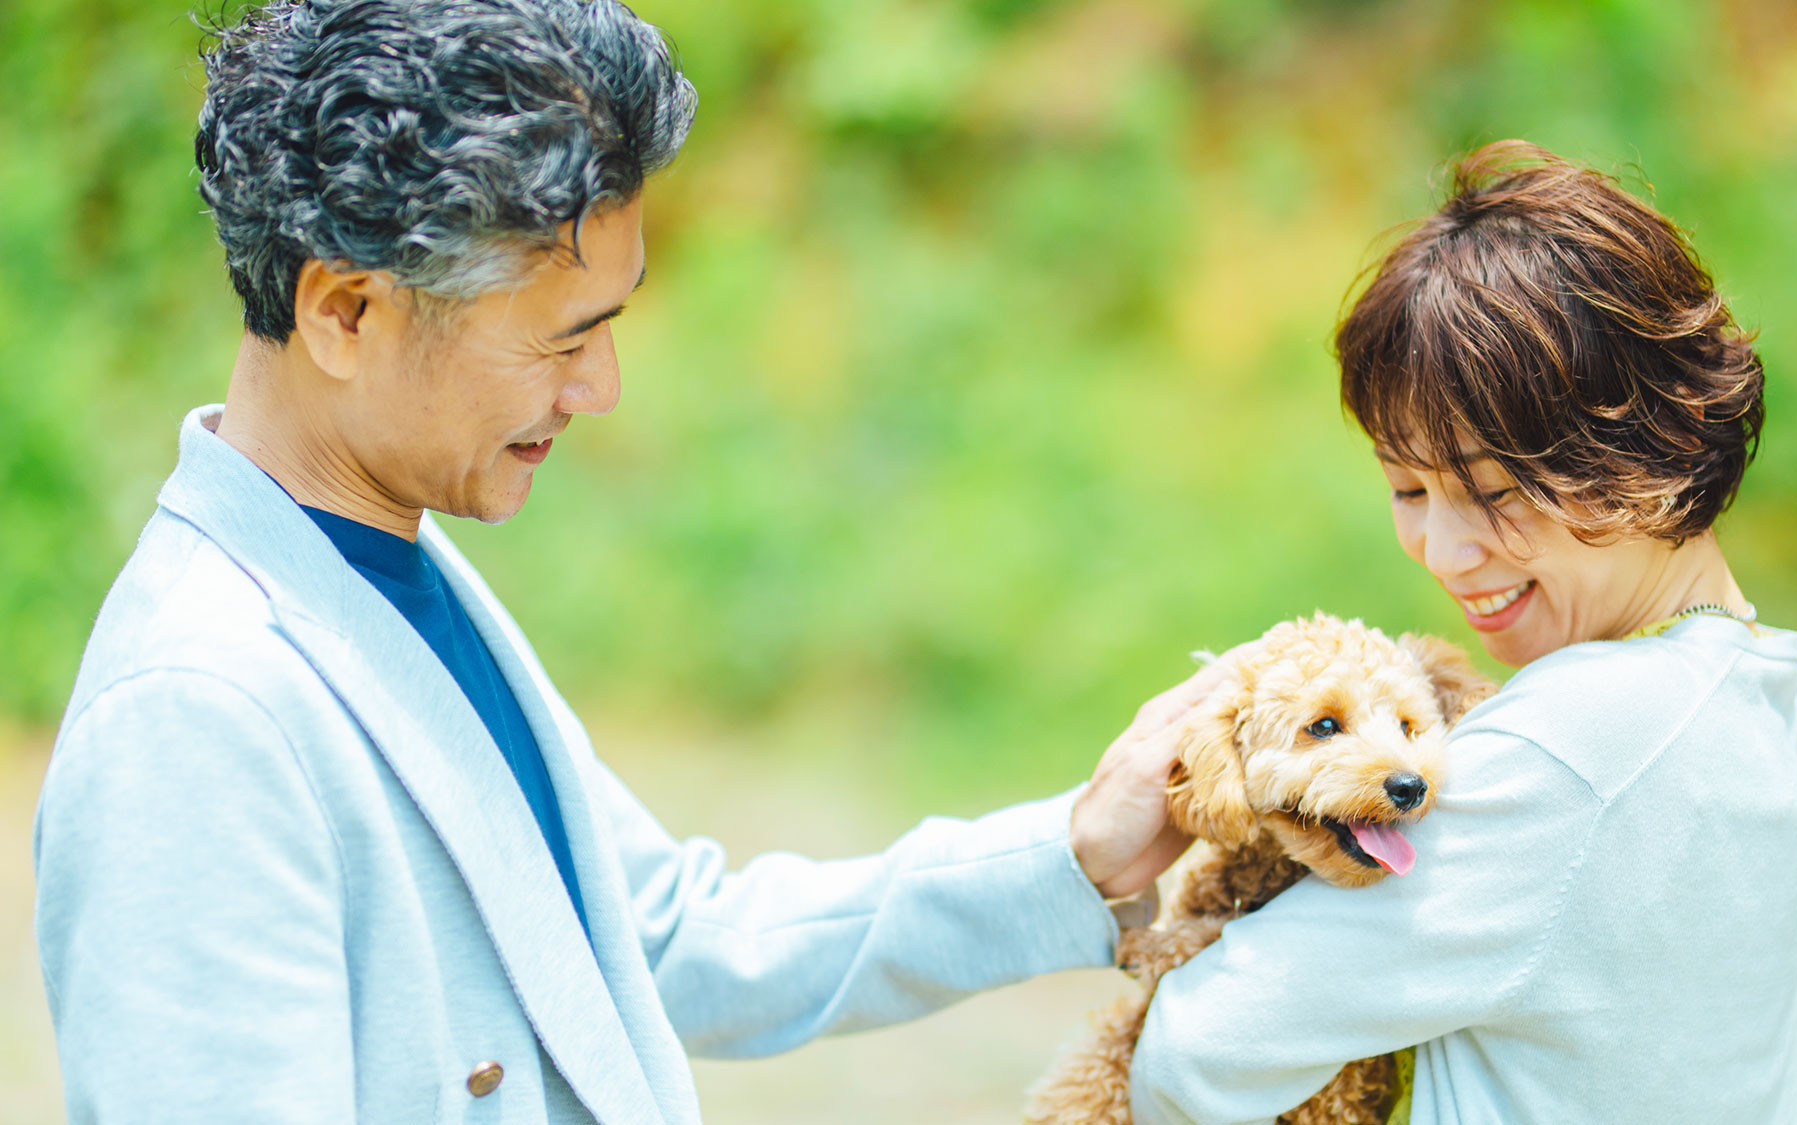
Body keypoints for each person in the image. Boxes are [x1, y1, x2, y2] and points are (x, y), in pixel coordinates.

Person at [31, 2, 1212, 1120]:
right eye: (564, 337)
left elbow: (662, 932)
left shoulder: (391, 571)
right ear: (344, 312)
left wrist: (1072, 853)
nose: (600, 389)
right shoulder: (195, 716)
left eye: (611, 324)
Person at [1125, 142, 1797, 1124]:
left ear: (1655, 443)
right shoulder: (1743, 693)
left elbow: (1198, 1053)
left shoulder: (1573, 745)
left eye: (1492, 490)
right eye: (1406, 488)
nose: (1443, 552)